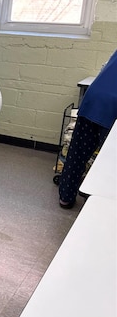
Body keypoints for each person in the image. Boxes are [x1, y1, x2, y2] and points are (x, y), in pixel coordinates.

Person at [59, 49, 117, 209]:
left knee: (77, 154)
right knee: (109, 161)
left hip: (93, 97)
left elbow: (104, 67)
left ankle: (66, 197)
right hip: (112, 109)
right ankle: (99, 202)